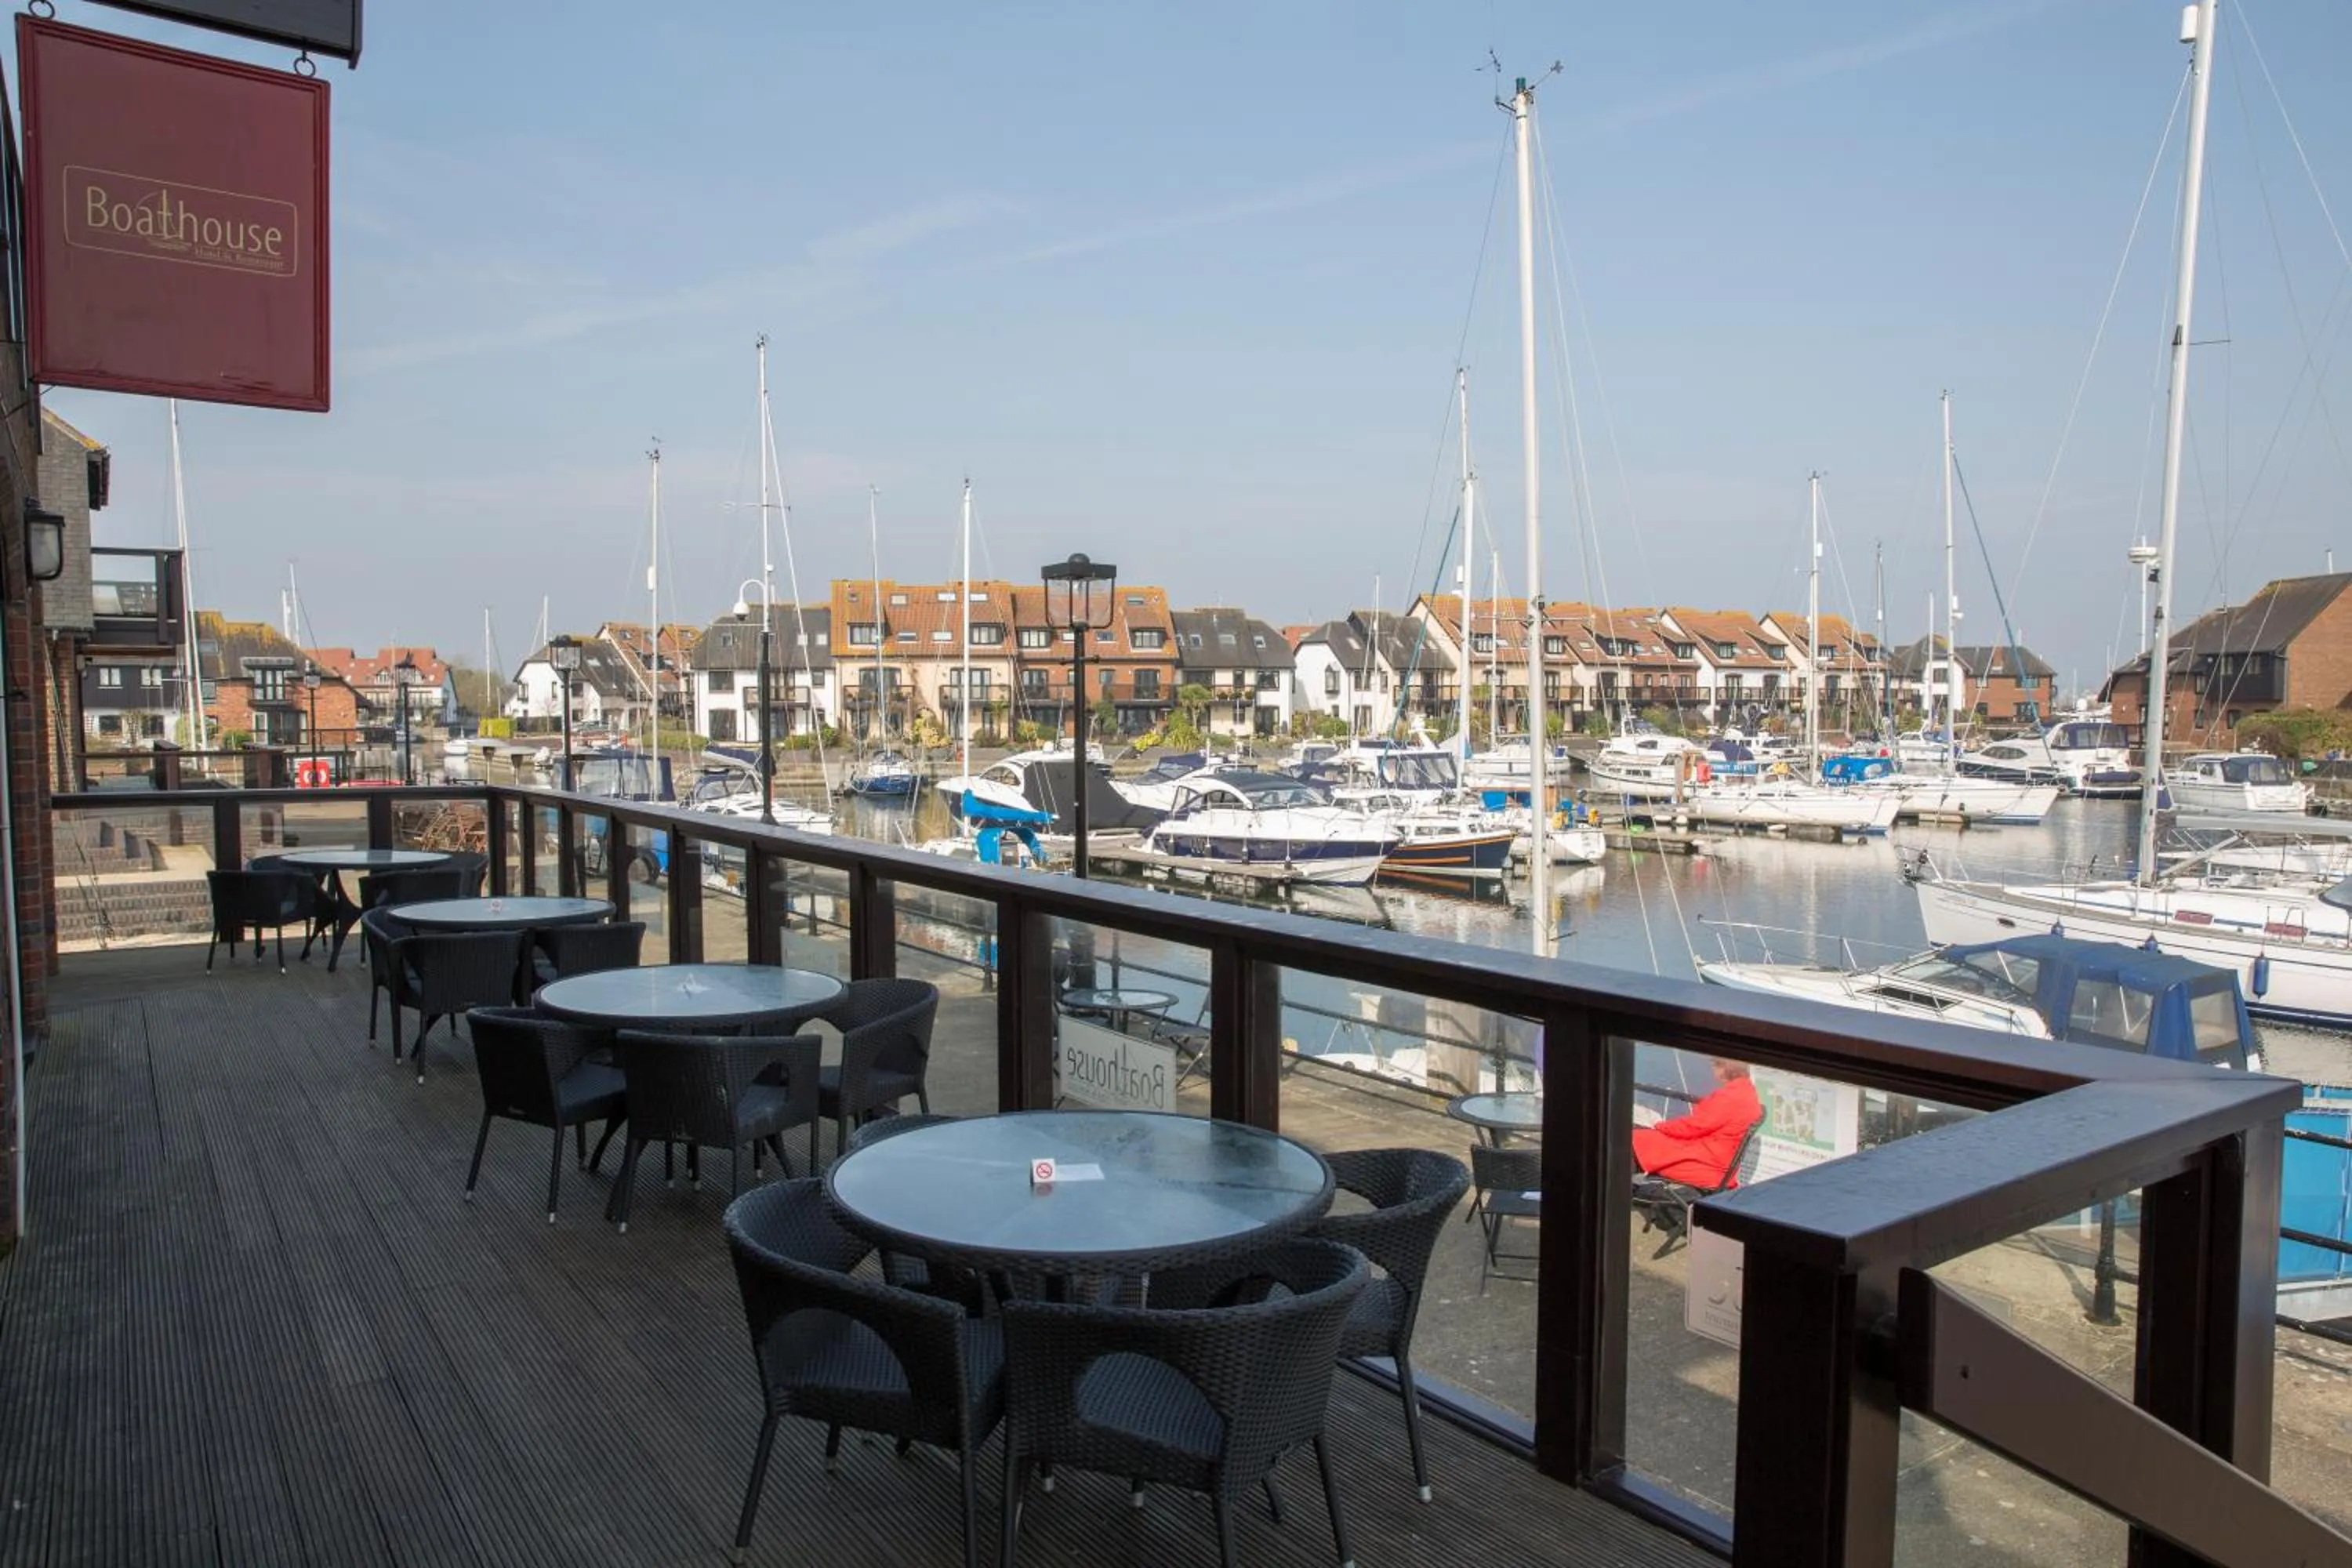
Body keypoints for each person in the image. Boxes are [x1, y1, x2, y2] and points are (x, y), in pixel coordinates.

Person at [1632, 1058, 1762, 1189]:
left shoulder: (1729, 1097)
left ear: (1723, 1069)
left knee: (1637, 1140)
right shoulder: (1747, 1091)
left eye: (1715, 1066)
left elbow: (1695, 1126)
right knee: (1645, 1138)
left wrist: (1661, 1126)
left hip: (1706, 1164)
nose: (1712, 1071)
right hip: (1719, 1161)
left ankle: (1620, 1190)